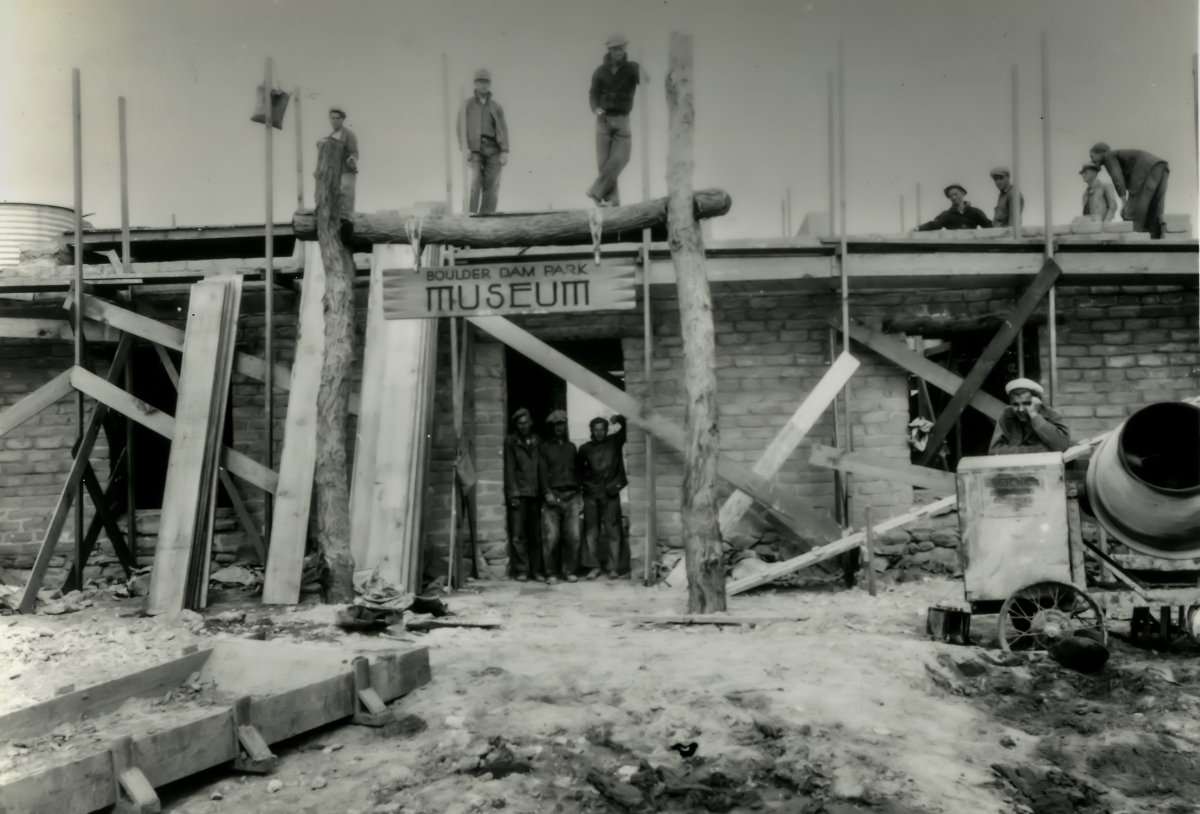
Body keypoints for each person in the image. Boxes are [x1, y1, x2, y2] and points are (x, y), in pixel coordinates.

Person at [587, 35, 647, 207]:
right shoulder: (599, 72)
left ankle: (596, 191)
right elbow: (593, 94)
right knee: (604, 163)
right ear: (610, 50)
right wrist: (595, 108)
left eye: (622, 48)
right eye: (616, 49)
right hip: (603, 121)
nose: (619, 52)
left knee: (622, 157)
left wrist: (642, 72)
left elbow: (646, 81)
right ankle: (613, 199)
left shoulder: (631, 68)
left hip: (622, 119)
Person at [577, 415, 627, 580]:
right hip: (591, 495)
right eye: (595, 430)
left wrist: (619, 418)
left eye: (602, 429)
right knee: (591, 532)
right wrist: (585, 486)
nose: (599, 433)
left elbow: (626, 430)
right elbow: (578, 471)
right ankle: (594, 567)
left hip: (611, 493)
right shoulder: (585, 449)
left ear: (606, 430)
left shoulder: (614, 442)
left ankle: (613, 568)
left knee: (613, 531)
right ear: (591, 431)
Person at [537, 410, 583, 585]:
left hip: (571, 497)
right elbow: (542, 472)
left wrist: (579, 494)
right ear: (551, 427)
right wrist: (547, 492)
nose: (560, 428)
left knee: (573, 536)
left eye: (562, 424)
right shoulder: (545, 448)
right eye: (556, 425)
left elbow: (577, 472)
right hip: (553, 497)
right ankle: (551, 573)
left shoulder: (572, 447)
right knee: (551, 537)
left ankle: (569, 571)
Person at [457, 69, 510, 214]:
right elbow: (460, 128)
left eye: (486, 82)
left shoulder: (496, 107)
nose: (483, 85)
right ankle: (471, 217)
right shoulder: (467, 105)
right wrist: (465, 148)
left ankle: (487, 218)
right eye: (480, 81)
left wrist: (504, 151)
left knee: (492, 186)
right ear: (475, 83)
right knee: (475, 184)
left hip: (493, 150)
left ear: (490, 84)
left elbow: (503, 129)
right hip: (475, 149)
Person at [1089, 143, 1169, 238]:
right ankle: (1155, 243)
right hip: (1161, 167)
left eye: (1092, 156)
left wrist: (1124, 202)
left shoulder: (1108, 156)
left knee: (1132, 214)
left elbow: (1117, 176)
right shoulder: (1117, 155)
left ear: (1101, 153)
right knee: (1154, 211)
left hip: (1144, 171)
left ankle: (1134, 245)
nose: (1091, 160)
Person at [503, 408, 542, 582]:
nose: (523, 426)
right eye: (520, 423)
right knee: (519, 535)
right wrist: (513, 494)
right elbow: (510, 469)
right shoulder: (511, 442)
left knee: (536, 534)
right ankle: (522, 569)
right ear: (516, 425)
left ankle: (537, 570)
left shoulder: (537, 440)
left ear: (531, 423)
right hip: (519, 494)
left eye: (525, 422)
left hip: (535, 493)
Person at [988, 378, 1071, 455]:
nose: (1020, 409)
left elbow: (1062, 446)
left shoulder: (1052, 415)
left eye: (1026, 403)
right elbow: (994, 451)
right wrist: (1037, 450)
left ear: (1037, 401)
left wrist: (1034, 415)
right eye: (1015, 404)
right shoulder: (1006, 415)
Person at [324, 107, 358, 218]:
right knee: (333, 200)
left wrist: (352, 159)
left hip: (346, 172)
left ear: (342, 119)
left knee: (347, 199)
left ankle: (348, 224)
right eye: (332, 118)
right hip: (333, 173)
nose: (335, 120)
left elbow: (354, 152)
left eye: (337, 118)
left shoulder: (349, 135)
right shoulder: (329, 137)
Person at [916, 185, 993, 231]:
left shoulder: (975, 212)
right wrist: (918, 228)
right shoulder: (946, 215)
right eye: (951, 196)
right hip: (955, 248)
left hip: (972, 247)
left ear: (963, 193)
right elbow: (934, 224)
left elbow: (987, 224)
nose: (953, 197)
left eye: (955, 194)